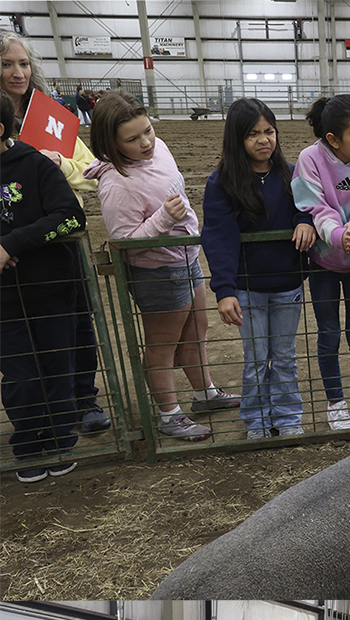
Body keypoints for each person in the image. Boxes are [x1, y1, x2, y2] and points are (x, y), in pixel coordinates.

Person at [85, 90, 236, 441]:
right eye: (133, 139)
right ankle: (169, 414)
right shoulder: (115, 184)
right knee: (162, 344)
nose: (146, 142)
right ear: (112, 143)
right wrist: (164, 220)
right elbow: (127, 241)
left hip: (186, 257)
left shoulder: (160, 148)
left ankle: (205, 394)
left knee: (197, 330)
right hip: (157, 270)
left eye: (148, 131)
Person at [0, 28, 112, 436]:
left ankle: (82, 400)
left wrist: (54, 165)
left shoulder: (48, 114)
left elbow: (87, 172)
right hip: (9, 250)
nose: (18, 73)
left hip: (61, 239)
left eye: (24, 63)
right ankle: (37, 418)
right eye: (7, 64)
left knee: (77, 325)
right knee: (19, 338)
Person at [202, 97, 315, 439]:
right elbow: (218, 238)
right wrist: (224, 290)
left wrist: (305, 220)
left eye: (269, 131)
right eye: (253, 134)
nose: (264, 139)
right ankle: (257, 421)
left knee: (283, 356)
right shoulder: (221, 184)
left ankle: (288, 418)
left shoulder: (292, 175)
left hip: (287, 283)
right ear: (237, 139)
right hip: (247, 289)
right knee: (255, 359)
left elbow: (309, 204)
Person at [0, 89, 86, 482]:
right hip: (4, 299)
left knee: (57, 365)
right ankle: (28, 445)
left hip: (51, 289)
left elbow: (70, 216)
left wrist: (12, 243)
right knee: (19, 374)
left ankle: (58, 440)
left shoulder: (35, 165)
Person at [292, 94, 350, 431]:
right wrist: (338, 235)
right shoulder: (310, 160)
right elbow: (315, 207)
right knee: (329, 334)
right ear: (333, 139)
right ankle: (336, 402)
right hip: (324, 263)